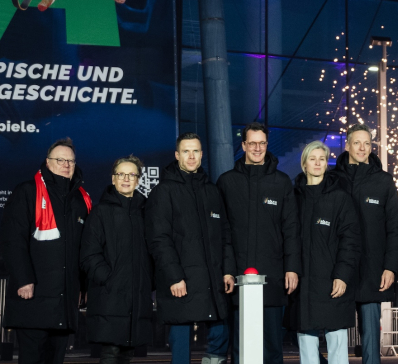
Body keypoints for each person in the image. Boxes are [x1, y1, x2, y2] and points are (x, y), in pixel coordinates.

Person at [0, 139, 93, 364]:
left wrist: (83, 286)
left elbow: (84, 248)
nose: (66, 164)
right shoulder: (27, 191)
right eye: (60, 159)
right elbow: (13, 240)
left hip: (64, 300)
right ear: (48, 163)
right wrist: (23, 280)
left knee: (56, 359)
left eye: (70, 160)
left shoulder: (81, 199)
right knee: (32, 357)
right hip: (34, 296)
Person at [147, 134, 235, 364]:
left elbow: (225, 235)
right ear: (177, 155)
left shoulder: (212, 191)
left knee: (220, 333)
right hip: (181, 281)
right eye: (186, 151)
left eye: (195, 151)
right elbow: (159, 239)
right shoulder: (163, 191)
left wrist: (227, 270)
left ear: (202, 154)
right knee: (181, 341)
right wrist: (174, 276)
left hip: (213, 280)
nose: (191, 156)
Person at [216, 123, 299, 364]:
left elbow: (291, 229)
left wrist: (292, 267)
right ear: (243, 145)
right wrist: (227, 271)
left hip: (273, 276)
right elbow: (223, 232)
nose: (257, 148)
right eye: (252, 143)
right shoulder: (227, 182)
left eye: (262, 143)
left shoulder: (282, 182)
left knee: (273, 346)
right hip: (238, 278)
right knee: (242, 346)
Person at [330, 123, 398, 364]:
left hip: (372, 269)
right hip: (338, 268)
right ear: (347, 145)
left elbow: (394, 228)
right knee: (334, 330)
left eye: (367, 143)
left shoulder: (383, 181)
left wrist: (390, 266)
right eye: (357, 143)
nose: (362, 148)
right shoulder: (332, 179)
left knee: (371, 333)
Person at [289, 142, 361, 364]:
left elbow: (351, 241)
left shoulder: (340, 198)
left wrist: (342, 275)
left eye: (322, 158)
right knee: (307, 345)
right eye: (313, 158)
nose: (318, 163)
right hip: (303, 284)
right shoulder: (293, 197)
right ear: (304, 164)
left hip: (332, 281)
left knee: (337, 342)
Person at [82, 156, 154, 364]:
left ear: (138, 180)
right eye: (121, 174)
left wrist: (147, 282)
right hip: (109, 297)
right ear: (113, 179)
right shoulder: (100, 213)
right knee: (111, 353)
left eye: (131, 174)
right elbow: (89, 254)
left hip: (137, 297)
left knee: (127, 355)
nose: (126, 178)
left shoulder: (146, 212)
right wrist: (110, 279)